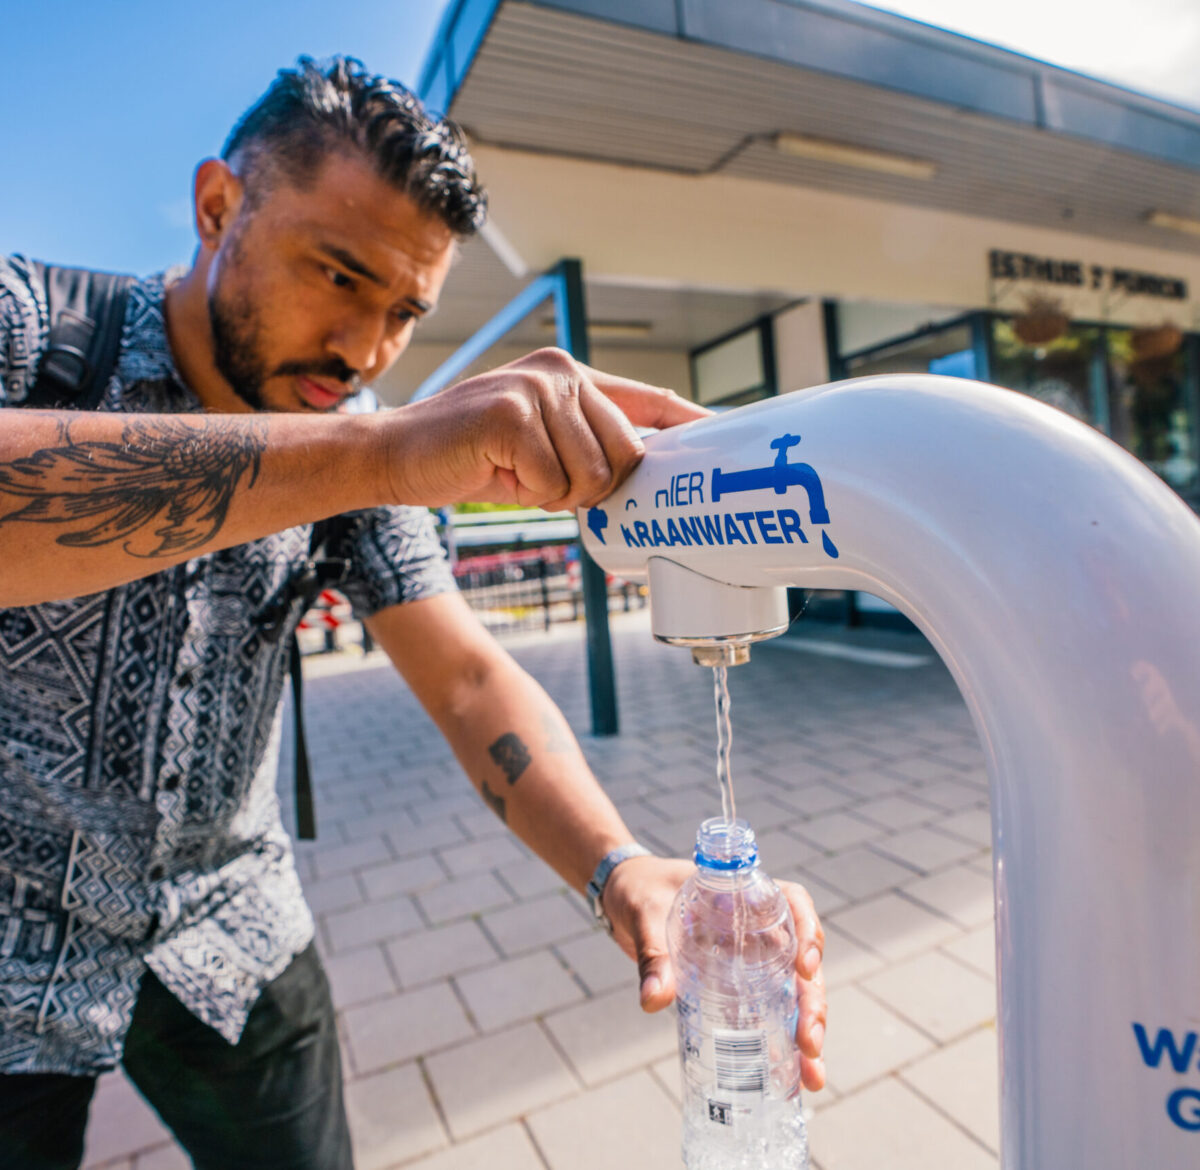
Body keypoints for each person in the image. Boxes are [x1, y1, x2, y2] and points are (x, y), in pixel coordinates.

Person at [0, 56, 826, 1170]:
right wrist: (376, 452)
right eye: (338, 275)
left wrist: (617, 866)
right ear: (215, 206)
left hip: (231, 928)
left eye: (403, 311)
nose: (366, 350)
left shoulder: (350, 424)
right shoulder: (31, 329)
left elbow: (467, 676)